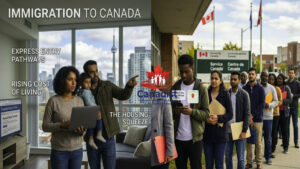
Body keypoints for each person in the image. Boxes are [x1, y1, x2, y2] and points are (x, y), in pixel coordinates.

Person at [83, 60, 138, 169]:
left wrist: (129, 86)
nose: (95, 74)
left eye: (97, 71)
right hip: (91, 138)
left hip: (108, 137)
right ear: (86, 74)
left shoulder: (107, 85)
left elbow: (123, 95)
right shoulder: (83, 91)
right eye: (92, 72)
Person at [42, 66, 86, 169]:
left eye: (75, 80)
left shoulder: (80, 100)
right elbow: (45, 126)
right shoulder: (53, 101)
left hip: (77, 150)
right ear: (62, 81)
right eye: (70, 79)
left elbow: (83, 126)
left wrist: (81, 131)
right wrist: (62, 125)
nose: (74, 83)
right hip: (59, 151)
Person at [171, 54, 210, 169]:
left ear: (192, 69)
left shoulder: (201, 88)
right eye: (181, 72)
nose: (183, 75)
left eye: (186, 72)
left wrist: (192, 112)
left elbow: (206, 114)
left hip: (195, 140)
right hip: (178, 139)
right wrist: (176, 112)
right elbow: (170, 112)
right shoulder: (175, 88)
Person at [203, 70, 233, 169]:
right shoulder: (205, 93)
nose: (214, 80)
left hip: (221, 136)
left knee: (219, 164)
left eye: (216, 78)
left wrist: (219, 118)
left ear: (220, 81)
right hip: (207, 135)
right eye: (212, 78)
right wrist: (206, 119)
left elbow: (230, 114)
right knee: (208, 164)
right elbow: (201, 111)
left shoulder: (225, 94)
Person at [225, 71, 250, 169]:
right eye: (231, 79)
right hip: (228, 130)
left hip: (239, 130)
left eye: (235, 79)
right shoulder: (227, 93)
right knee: (228, 157)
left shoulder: (244, 94)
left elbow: (247, 114)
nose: (233, 81)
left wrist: (244, 131)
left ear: (239, 81)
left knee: (240, 158)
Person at [243, 68, 265, 169]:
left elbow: (262, 104)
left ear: (256, 76)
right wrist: (248, 116)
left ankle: (259, 163)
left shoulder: (260, 88)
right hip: (247, 120)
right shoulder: (245, 88)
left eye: (253, 74)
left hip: (257, 120)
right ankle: (249, 162)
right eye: (249, 74)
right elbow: (243, 104)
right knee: (248, 143)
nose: (251, 76)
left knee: (258, 143)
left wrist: (253, 115)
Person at [78, 73, 106, 150]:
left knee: (91, 126)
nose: (88, 84)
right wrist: (96, 108)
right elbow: (88, 102)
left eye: (89, 82)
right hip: (89, 109)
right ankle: (99, 134)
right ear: (81, 83)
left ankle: (90, 139)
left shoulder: (83, 91)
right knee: (99, 116)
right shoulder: (85, 92)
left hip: (87, 111)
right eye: (86, 82)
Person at [151, 88, 174, 169]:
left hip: (159, 149)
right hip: (143, 151)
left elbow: (169, 125)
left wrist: (170, 150)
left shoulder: (164, 98)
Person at [260, 71, 278, 165]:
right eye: (263, 75)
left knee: (267, 139)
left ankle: (268, 157)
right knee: (258, 139)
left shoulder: (272, 88)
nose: (265, 77)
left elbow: (276, 101)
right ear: (261, 76)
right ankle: (257, 157)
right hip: (258, 117)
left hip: (268, 117)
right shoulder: (257, 87)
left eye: (266, 76)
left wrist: (269, 105)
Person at [277, 74, 292, 153]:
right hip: (276, 113)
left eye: (280, 79)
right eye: (278, 79)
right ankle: (273, 146)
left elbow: (290, 100)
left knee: (284, 130)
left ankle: (285, 147)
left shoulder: (286, 88)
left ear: (283, 80)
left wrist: (282, 101)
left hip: (284, 112)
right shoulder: (275, 88)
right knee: (275, 130)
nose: (279, 80)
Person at [268, 73, 282, 158]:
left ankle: (272, 150)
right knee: (267, 134)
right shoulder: (265, 88)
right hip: (266, 114)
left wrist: (272, 105)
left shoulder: (277, 89)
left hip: (275, 114)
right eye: (269, 79)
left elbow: (280, 101)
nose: (270, 81)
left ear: (275, 80)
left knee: (274, 132)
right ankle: (267, 149)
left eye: (272, 79)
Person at [287, 68, 300, 148]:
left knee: (295, 125)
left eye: (292, 73)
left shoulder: (298, 83)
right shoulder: (286, 83)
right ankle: (286, 141)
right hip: (287, 107)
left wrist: (293, 95)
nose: (291, 74)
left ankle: (296, 142)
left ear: (294, 74)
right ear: (288, 74)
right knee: (286, 126)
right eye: (290, 73)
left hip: (295, 107)